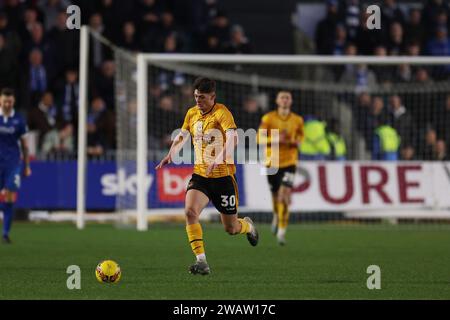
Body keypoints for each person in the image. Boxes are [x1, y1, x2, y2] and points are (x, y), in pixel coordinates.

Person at [155, 77, 258, 275]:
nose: (197, 101)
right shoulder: (191, 113)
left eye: (201, 97)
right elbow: (182, 135)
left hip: (223, 178)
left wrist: (218, 159)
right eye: (195, 97)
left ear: (212, 97)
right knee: (189, 213)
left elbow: (233, 138)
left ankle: (248, 226)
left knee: (231, 228)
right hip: (201, 175)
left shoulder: (222, 112)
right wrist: (170, 154)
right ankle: (201, 261)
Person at [258, 91, 304, 245]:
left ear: (291, 101)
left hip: (290, 162)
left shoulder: (298, 120)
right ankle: (276, 216)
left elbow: (301, 138)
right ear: (277, 101)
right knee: (275, 196)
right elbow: (259, 137)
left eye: (288, 98)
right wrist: (276, 138)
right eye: (282, 97)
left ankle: (282, 232)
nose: (285, 100)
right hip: (271, 161)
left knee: (284, 195)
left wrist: (296, 141)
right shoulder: (268, 118)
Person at [0, 88, 31, 244]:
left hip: (12, 163)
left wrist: (26, 166)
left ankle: (5, 233)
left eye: (10, 101)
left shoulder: (19, 120)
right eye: (5, 101)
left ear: (13, 102)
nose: (7, 104)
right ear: (0, 100)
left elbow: (25, 146)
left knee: (10, 195)